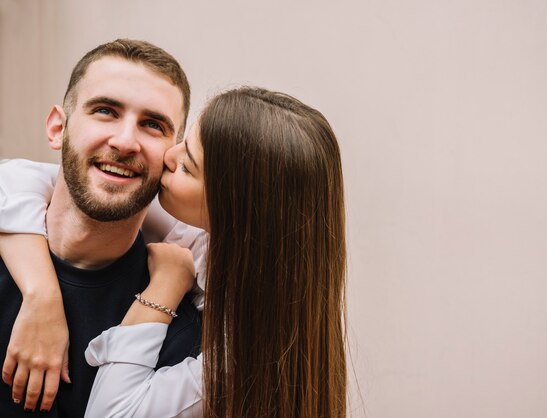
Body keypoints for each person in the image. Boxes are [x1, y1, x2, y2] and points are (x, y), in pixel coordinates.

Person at [0, 87, 348, 417]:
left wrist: (165, 284)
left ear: (231, 209)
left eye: (187, 166)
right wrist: (41, 295)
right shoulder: (215, 237)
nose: (169, 156)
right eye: (183, 144)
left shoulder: (244, 357)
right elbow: (17, 179)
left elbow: (112, 411)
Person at [0, 39, 203, 417]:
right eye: (106, 111)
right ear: (58, 128)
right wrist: (42, 294)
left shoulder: (181, 326)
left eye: (152, 125)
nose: (125, 142)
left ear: (171, 156)